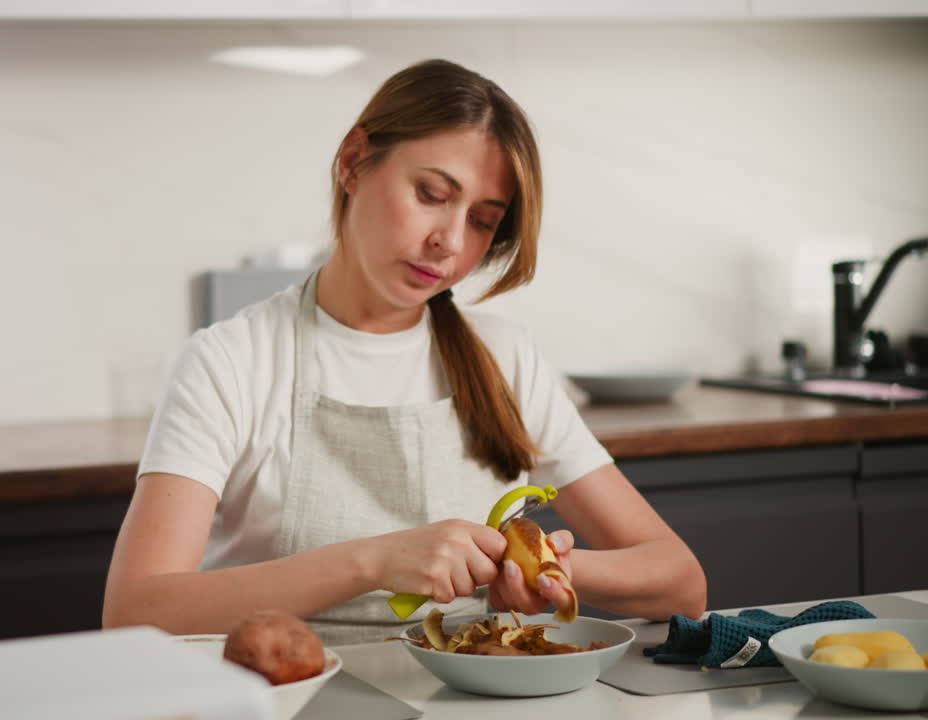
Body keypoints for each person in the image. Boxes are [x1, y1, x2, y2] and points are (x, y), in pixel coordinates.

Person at [103, 58, 706, 645]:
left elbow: (682, 583)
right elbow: (134, 614)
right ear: (354, 162)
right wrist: (373, 561)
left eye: (481, 221)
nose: (447, 242)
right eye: (431, 193)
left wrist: (547, 570)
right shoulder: (230, 361)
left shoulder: (505, 358)